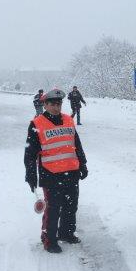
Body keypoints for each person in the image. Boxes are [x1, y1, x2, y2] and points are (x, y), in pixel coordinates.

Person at [24, 88, 88, 253]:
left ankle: (66, 233)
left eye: (59, 103)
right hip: (50, 174)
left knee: (70, 206)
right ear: (45, 104)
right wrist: (31, 174)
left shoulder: (68, 120)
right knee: (52, 209)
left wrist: (83, 164)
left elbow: (77, 145)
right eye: (52, 103)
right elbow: (30, 154)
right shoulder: (37, 124)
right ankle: (49, 240)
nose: (56, 107)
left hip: (71, 172)